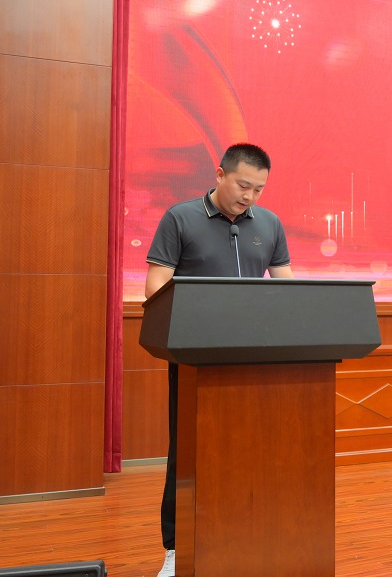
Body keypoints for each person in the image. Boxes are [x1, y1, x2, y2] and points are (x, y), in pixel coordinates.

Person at [144, 143, 293, 577]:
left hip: (255, 357)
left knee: (251, 449)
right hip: (196, 357)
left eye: (259, 189)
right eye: (243, 185)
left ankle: (246, 538)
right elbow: (156, 287)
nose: (250, 196)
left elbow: (287, 288)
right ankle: (177, 549)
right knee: (188, 452)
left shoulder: (270, 224)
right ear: (220, 174)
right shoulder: (180, 218)